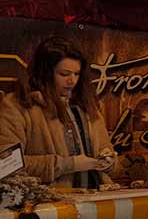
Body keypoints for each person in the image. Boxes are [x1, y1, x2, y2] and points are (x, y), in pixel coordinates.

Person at [0, 37, 117, 188]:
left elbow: (107, 151)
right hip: (51, 205)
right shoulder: (17, 105)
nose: (72, 81)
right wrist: (67, 164)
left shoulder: (87, 105)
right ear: (45, 73)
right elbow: (6, 165)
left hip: (97, 201)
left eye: (76, 74)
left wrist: (108, 161)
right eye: (64, 74)